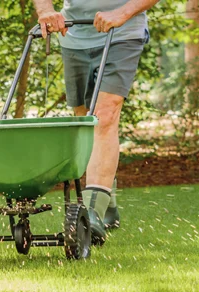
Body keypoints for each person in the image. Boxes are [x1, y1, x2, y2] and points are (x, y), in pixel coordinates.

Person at [32, 0, 160, 245]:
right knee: (84, 120)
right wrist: (46, 10)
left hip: (123, 33)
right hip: (73, 35)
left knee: (104, 116)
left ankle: (93, 211)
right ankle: (107, 204)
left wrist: (122, 12)